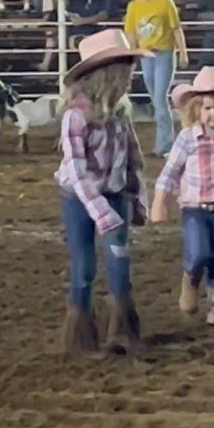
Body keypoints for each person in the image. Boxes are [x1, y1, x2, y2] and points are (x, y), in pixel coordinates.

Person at [54, 29, 152, 357]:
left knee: (119, 262)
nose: (130, 75)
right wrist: (102, 210)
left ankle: (120, 331)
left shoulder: (121, 114)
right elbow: (77, 172)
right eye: (125, 68)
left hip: (114, 193)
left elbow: (133, 159)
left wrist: (137, 200)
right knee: (83, 266)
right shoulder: (76, 117)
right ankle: (82, 333)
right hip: (79, 198)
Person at [150, 66, 214, 327]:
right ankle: (191, 279)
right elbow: (170, 171)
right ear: (197, 109)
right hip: (195, 207)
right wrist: (159, 201)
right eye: (208, 108)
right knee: (198, 253)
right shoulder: (188, 138)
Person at [123, 0, 190, 156]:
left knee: (159, 98)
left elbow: (177, 29)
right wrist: (133, 52)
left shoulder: (166, 3)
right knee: (157, 99)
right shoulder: (134, 6)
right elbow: (130, 33)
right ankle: (165, 142)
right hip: (147, 55)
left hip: (163, 53)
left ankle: (165, 144)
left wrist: (183, 52)